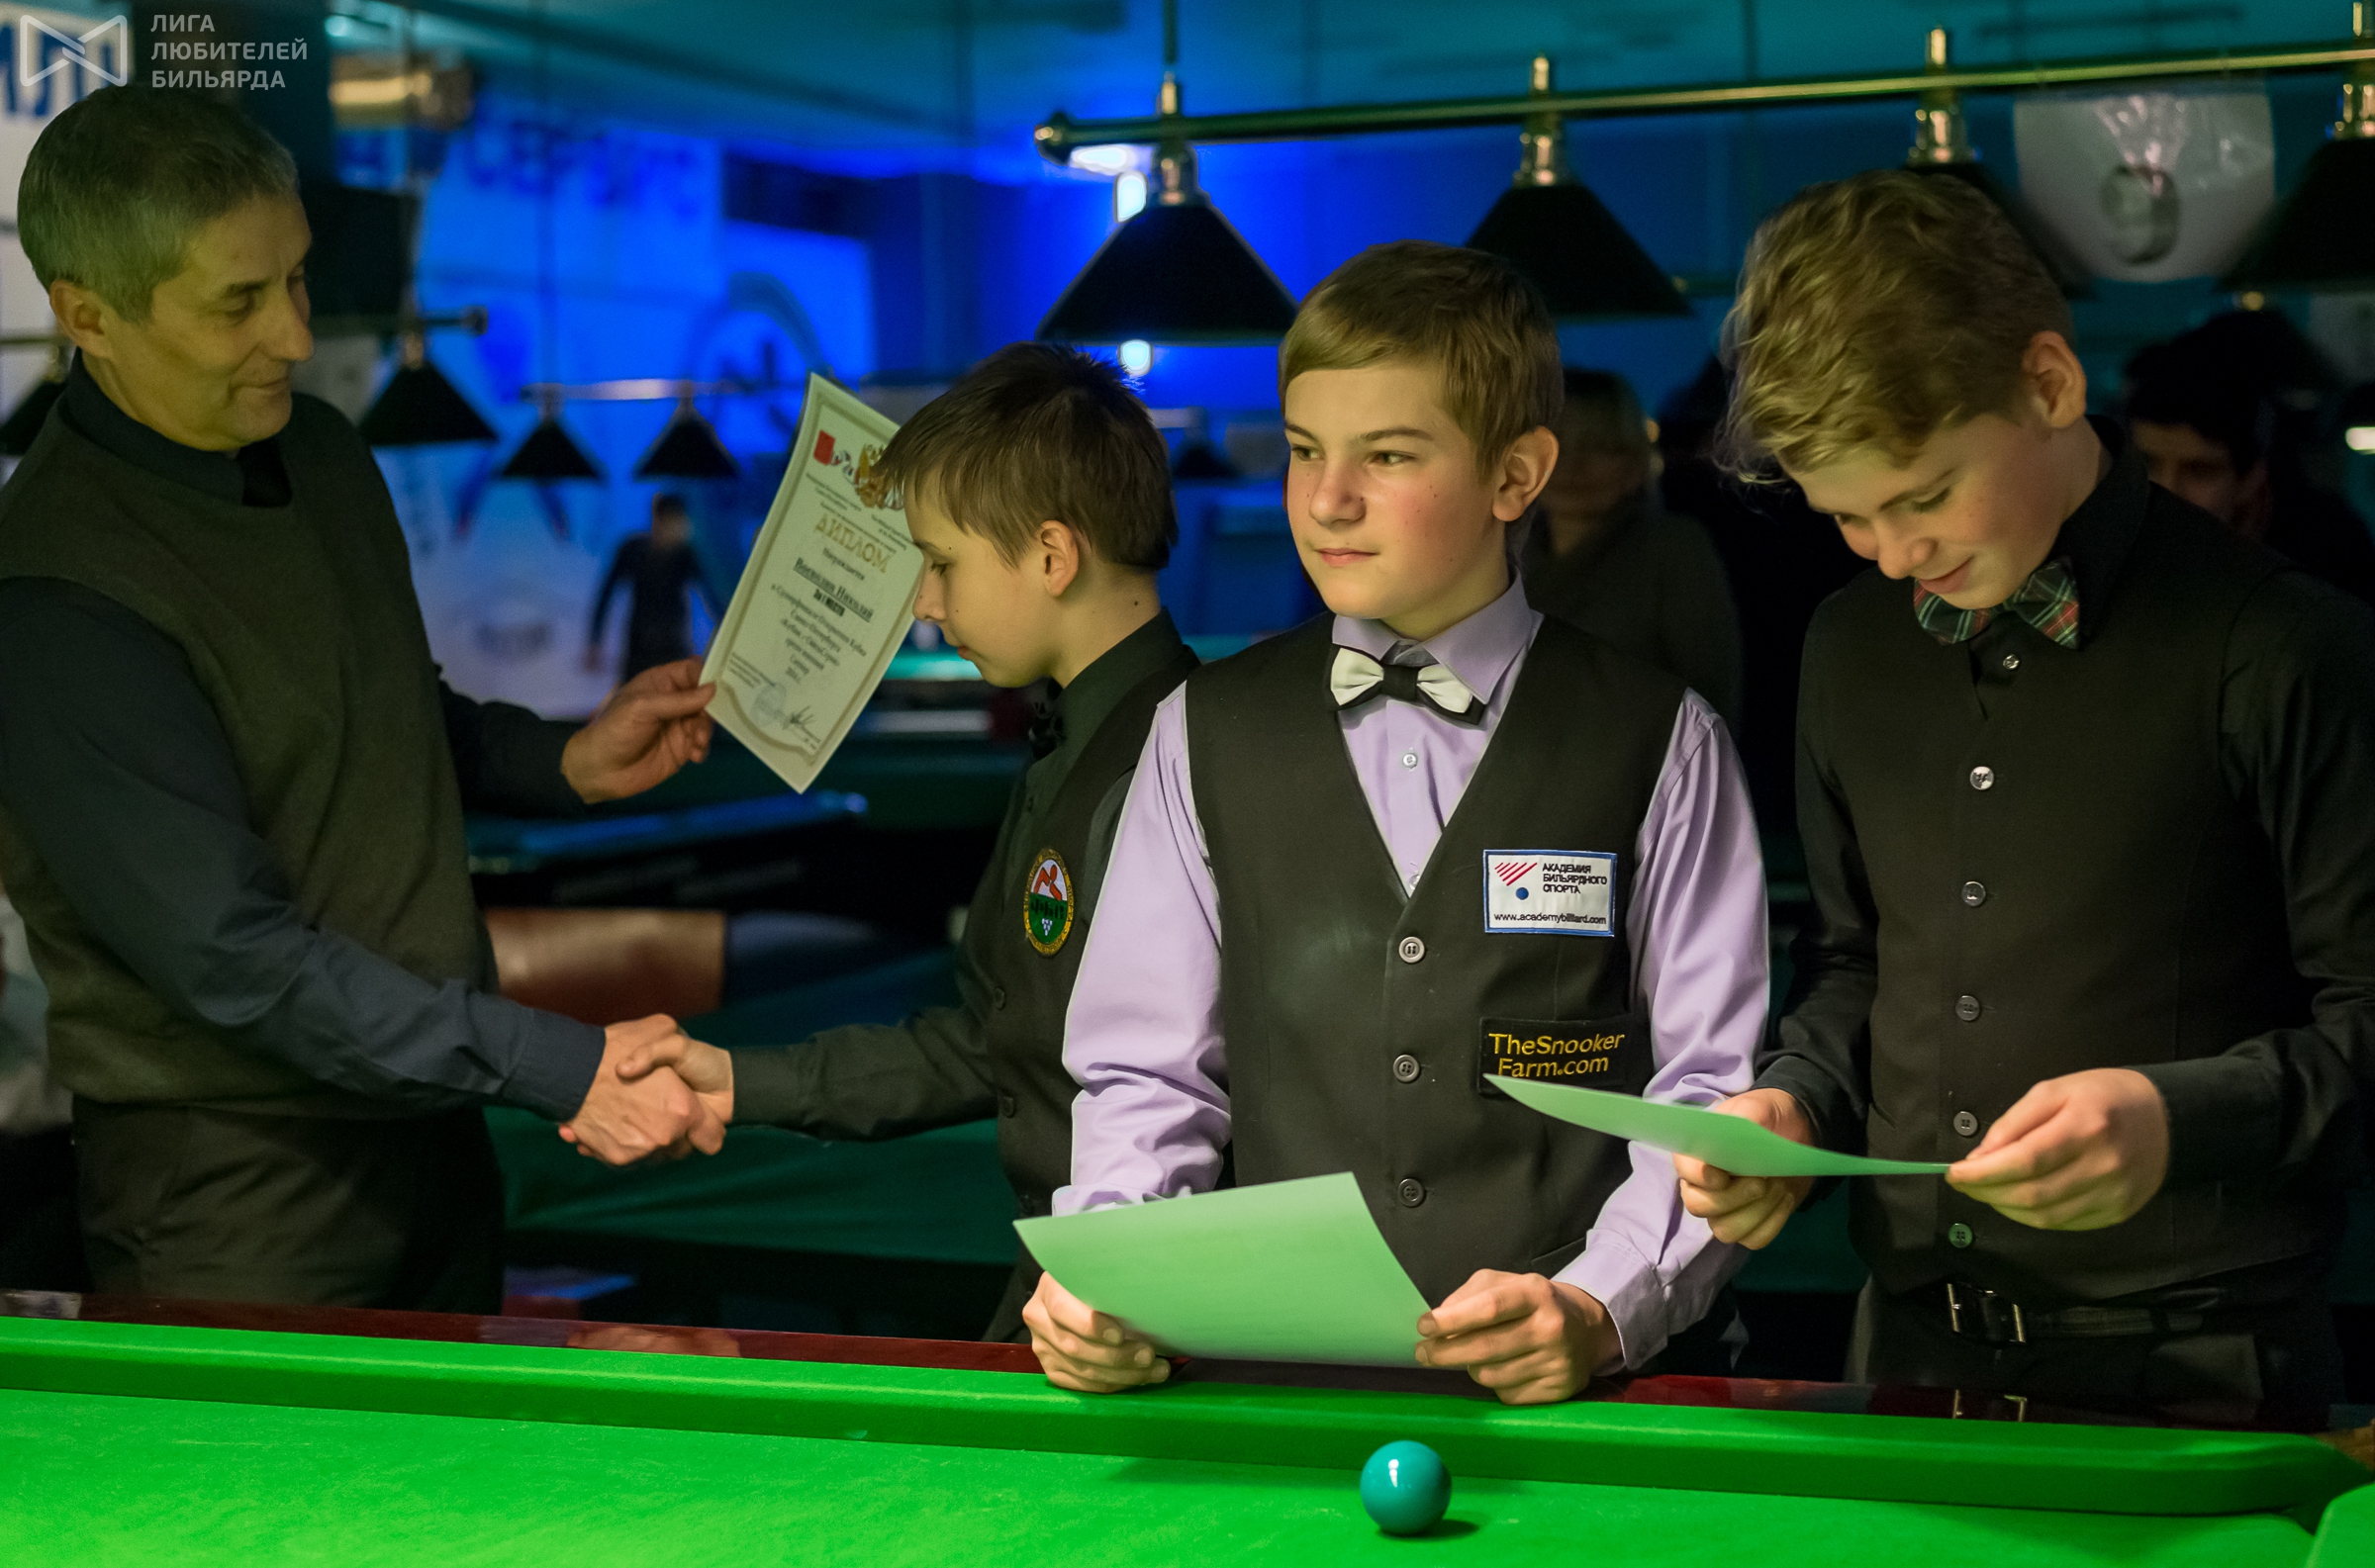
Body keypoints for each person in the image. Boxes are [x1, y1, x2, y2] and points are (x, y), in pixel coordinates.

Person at [0, 89, 726, 1314]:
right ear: (88, 317)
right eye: (238, 301)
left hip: (431, 1124)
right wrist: (557, 1063)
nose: (294, 335)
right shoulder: (57, 592)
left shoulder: (324, 452)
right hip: (238, 1181)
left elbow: (388, 715)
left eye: (296, 278)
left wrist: (562, 761)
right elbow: (235, 960)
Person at [1020, 241, 1768, 1405]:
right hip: (1278, 1392)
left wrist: (1598, 1304)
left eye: (1388, 456)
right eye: (1305, 450)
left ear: (1516, 475)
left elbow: (1708, 1095)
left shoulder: (1663, 737)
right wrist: (1111, 1272)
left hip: (1578, 1400)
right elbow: (1150, 1076)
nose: (1327, 499)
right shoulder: (1200, 728)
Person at [1678, 169, 2375, 1413]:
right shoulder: (1849, 644)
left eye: (1924, 495)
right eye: (1849, 518)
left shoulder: (2284, 646)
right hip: (1904, 1354)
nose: (1898, 556)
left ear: (2049, 384)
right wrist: (1796, 1103)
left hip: (2197, 1378)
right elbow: (1852, 964)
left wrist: (2177, 1119)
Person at [603, 343, 1198, 1342]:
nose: (924, 600)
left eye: (941, 563)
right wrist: (738, 1077)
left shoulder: (1193, 754)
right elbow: (995, 1042)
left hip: (1149, 1319)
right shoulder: (1075, 743)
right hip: (1079, 1301)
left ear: (1053, 556)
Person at [1520, 368, 1744, 729]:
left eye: (1601, 446)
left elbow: (1712, 697)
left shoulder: (1672, 550)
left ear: (1634, 460)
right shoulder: (1504, 555)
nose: (1573, 463)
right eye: (1558, 443)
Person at [2124, 319, 2375, 607]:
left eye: (2200, 471)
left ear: (2252, 475)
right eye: (2146, 463)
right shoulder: (2113, 545)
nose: (2165, 490)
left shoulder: (2327, 553)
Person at [585, 493, 720, 682]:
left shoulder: (685, 555)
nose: (679, 528)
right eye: (673, 521)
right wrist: (595, 640)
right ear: (658, 520)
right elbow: (606, 594)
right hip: (639, 649)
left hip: (673, 647)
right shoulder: (632, 550)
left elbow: (711, 598)